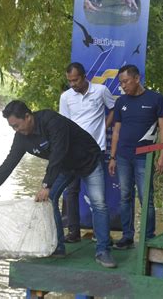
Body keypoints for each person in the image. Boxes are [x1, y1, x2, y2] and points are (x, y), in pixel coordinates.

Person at [0, 101, 117, 268]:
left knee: (98, 203)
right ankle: (57, 247)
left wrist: (46, 185)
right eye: (12, 127)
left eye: (17, 125)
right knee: (48, 201)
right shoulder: (21, 138)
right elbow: (8, 164)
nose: (16, 130)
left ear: (27, 116)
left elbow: (58, 152)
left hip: (88, 160)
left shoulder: (51, 120)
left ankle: (103, 251)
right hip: (64, 167)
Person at [108, 64, 163, 249]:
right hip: (124, 157)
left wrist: (162, 155)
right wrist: (112, 157)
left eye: (126, 81)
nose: (123, 86)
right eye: (121, 83)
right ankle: (127, 236)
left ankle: (148, 238)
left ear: (137, 78)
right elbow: (116, 131)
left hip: (145, 157)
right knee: (125, 196)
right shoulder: (121, 102)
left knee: (146, 198)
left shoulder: (156, 99)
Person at [59, 62, 115, 243]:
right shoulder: (66, 97)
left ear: (84, 77)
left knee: (98, 198)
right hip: (72, 153)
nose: (72, 84)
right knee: (71, 192)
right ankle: (73, 233)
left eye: (75, 80)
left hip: (94, 151)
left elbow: (114, 109)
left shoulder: (101, 90)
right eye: (69, 81)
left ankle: (101, 237)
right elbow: (64, 124)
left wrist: (104, 127)